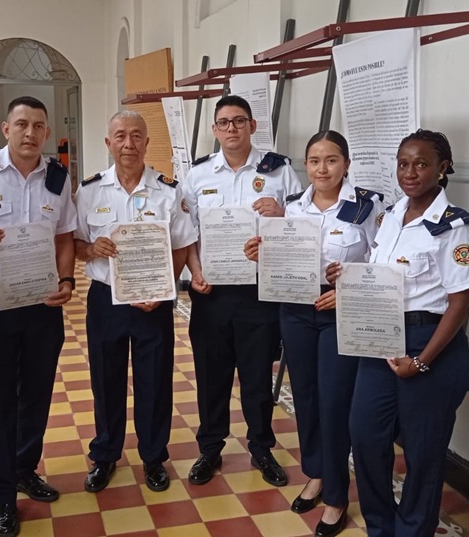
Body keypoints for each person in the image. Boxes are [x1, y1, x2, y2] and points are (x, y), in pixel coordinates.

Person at [334, 130, 469, 537]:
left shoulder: (455, 229)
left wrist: (421, 362)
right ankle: (381, 527)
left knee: (423, 453)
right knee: (365, 436)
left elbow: (461, 303)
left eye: (421, 164)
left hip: (430, 346)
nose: (410, 172)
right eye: (403, 163)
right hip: (381, 342)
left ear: (443, 168)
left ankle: (413, 530)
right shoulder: (389, 216)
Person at [244, 131, 383, 537]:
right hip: (296, 309)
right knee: (305, 395)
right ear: (306, 165)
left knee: (334, 401)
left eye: (332, 160)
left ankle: (337, 496)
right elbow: (286, 258)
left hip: (340, 310)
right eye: (315, 161)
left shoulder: (367, 207)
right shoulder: (291, 208)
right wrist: (259, 252)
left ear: (346, 163)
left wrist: (347, 288)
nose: (322, 169)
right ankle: (317, 474)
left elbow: (384, 263)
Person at [0, 96, 77, 537]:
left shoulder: (59, 176)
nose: (29, 133)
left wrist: (66, 281)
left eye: (38, 126)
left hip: (43, 304)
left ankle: (25, 467)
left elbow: (65, 237)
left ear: (46, 132)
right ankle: (3, 493)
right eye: (21, 124)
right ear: (6, 129)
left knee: (37, 393)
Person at [182, 95, 302, 488]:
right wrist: (194, 272)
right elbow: (185, 235)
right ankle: (210, 448)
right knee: (211, 375)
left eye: (238, 121)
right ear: (214, 130)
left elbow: (302, 228)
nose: (231, 128)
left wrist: (283, 214)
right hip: (211, 292)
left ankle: (261, 447)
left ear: (252, 126)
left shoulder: (279, 172)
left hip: (259, 293)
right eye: (223, 122)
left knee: (256, 376)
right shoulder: (197, 175)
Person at [74, 110, 196, 494]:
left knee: (155, 380)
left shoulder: (168, 191)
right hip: (105, 301)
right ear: (108, 143)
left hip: (154, 304)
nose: (129, 144)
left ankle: (153, 457)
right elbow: (74, 243)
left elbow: (182, 245)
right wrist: (91, 247)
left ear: (147, 142)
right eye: (120, 136)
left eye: (136, 136)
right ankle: (106, 455)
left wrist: (165, 288)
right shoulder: (89, 191)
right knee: (105, 381)